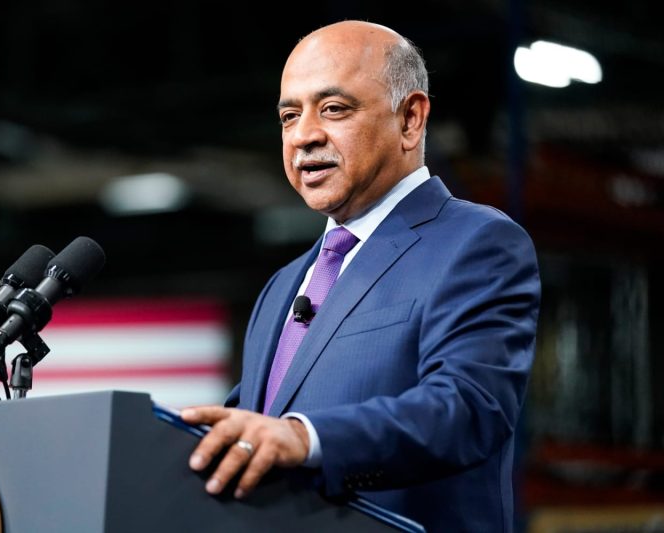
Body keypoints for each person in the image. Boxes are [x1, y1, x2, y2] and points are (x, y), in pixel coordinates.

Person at [181, 20, 540, 532]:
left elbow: (468, 409)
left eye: (333, 109)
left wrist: (306, 438)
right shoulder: (282, 287)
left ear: (410, 119)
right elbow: (252, 438)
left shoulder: (476, 243)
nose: (303, 135)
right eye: (289, 116)